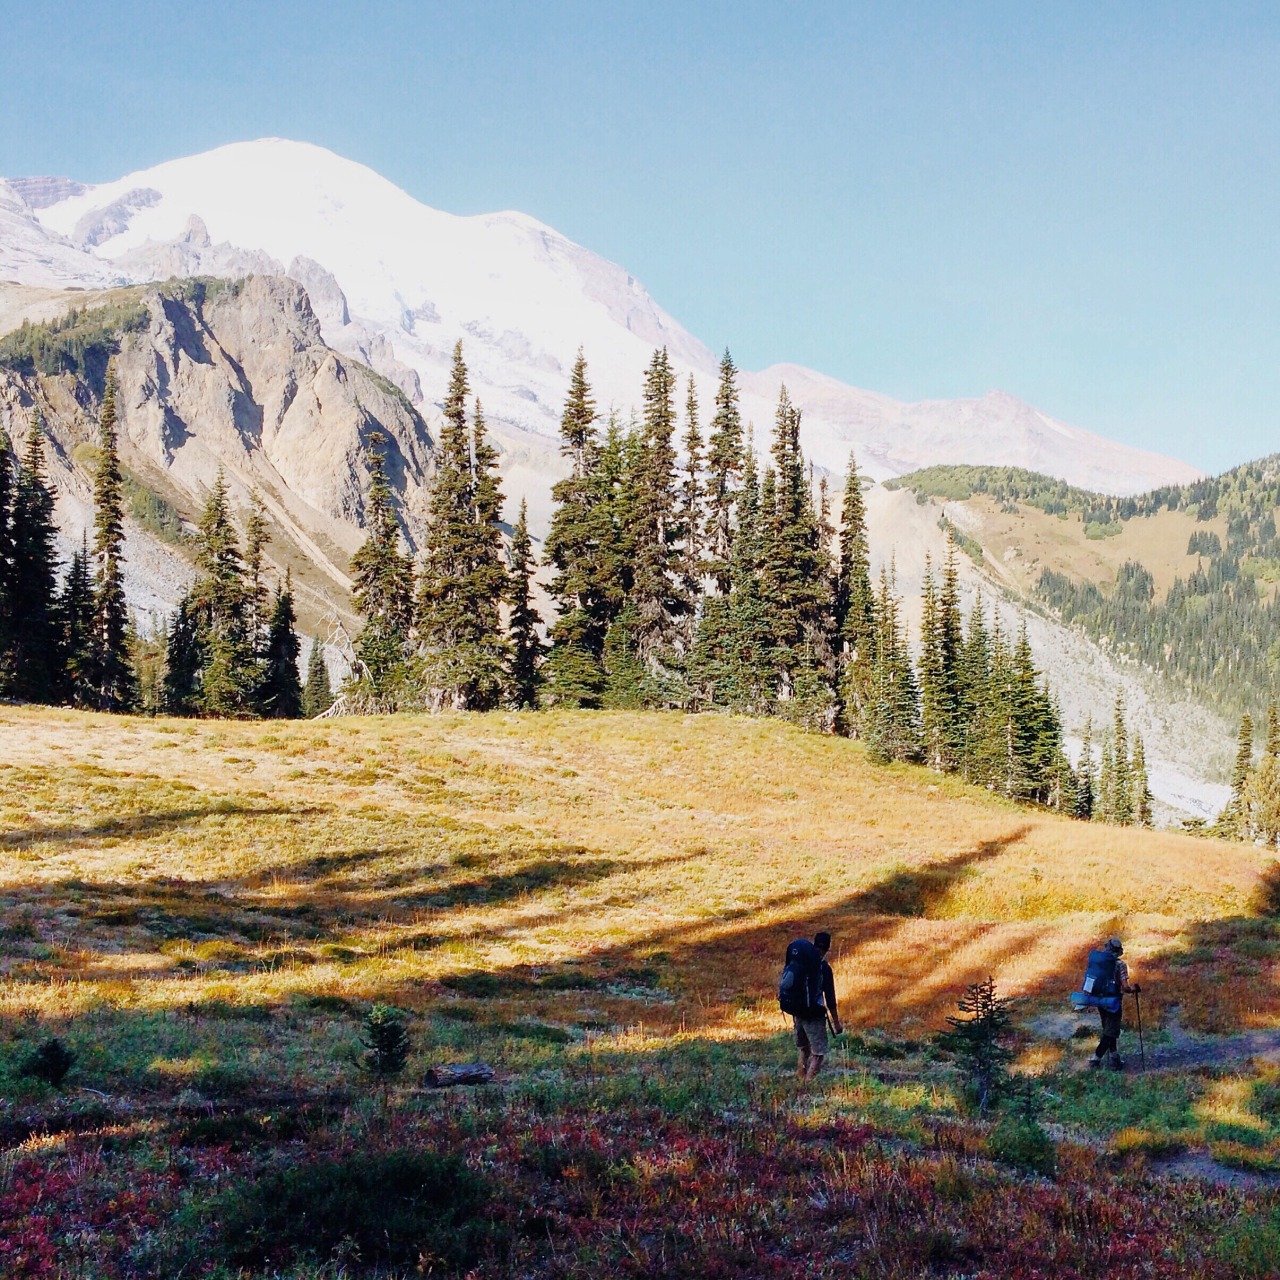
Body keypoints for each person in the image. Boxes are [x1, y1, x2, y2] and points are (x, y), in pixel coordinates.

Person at [795, 931, 843, 1081]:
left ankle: (800, 1080)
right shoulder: (824, 969)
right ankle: (807, 1087)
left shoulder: (800, 962)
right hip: (814, 1015)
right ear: (827, 948)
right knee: (818, 1054)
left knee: (804, 1049)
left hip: (798, 1012)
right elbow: (830, 999)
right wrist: (836, 1023)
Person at [1089, 936, 1139, 1071]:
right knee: (1111, 1032)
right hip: (1113, 1001)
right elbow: (1125, 987)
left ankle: (1114, 1058)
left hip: (1099, 1000)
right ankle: (1096, 1058)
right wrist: (1134, 989)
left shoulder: (1099, 962)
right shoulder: (1120, 965)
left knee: (1107, 1028)